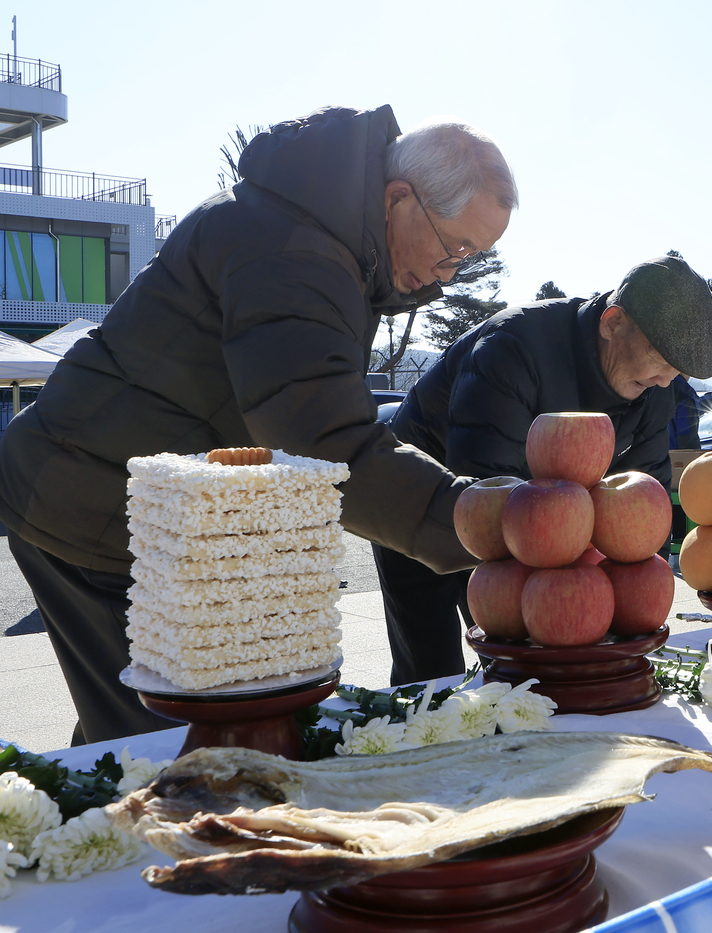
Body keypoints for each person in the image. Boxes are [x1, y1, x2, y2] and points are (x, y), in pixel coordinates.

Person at [0, 107, 517, 744]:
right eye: (455, 247)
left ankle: (83, 817)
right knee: (164, 743)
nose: (450, 273)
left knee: (142, 725)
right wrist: (471, 519)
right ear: (398, 198)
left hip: (146, 509)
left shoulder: (320, 237)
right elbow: (324, 440)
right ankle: (70, 837)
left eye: (471, 258)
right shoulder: (294, 253)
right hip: (86, 503)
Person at [377, 256, 712, 684]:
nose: (668, 379)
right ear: (612, 322)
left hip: (533, 513)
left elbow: (638, 521)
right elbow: (489, 498)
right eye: (662, 359)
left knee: (526, 673)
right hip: (428, 491)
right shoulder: (514, 346)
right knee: (431, 666)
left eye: (678, 370)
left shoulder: (654, 387)